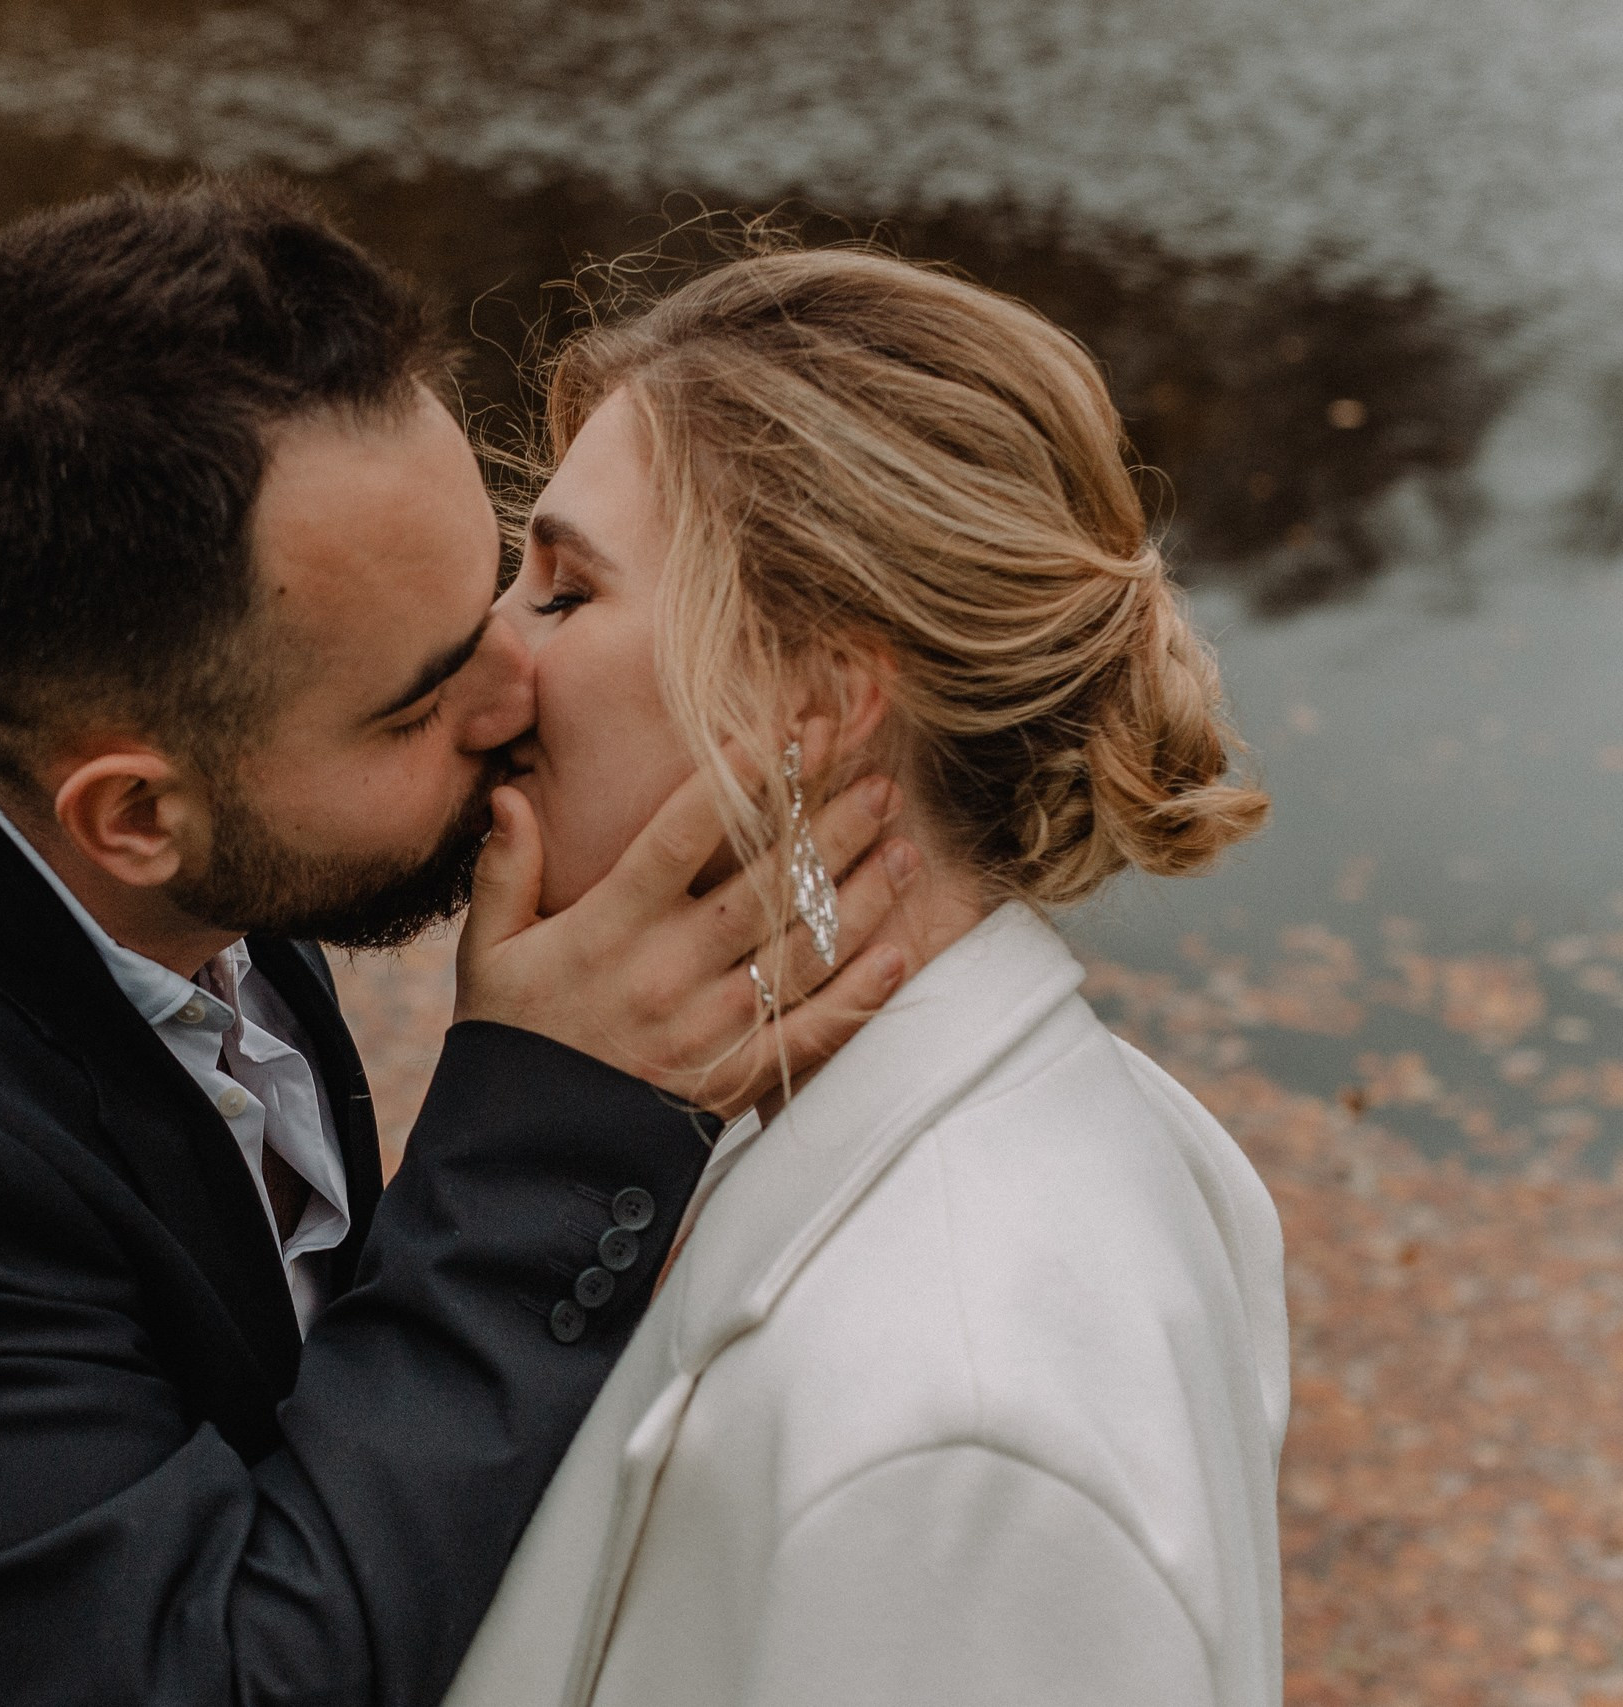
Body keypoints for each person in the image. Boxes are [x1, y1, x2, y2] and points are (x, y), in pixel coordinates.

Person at [0, 179, 915, 1707]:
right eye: (423, 697)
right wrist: (546, 1122)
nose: (520, 691)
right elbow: (235, 1679)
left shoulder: (173, 883)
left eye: (511, 580)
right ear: (134, 815)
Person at [442, 243, 1288, 1707]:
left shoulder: (953, 1436)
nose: (484, 665)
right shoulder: (841, 1100)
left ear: (819, 702)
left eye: (565, 593)